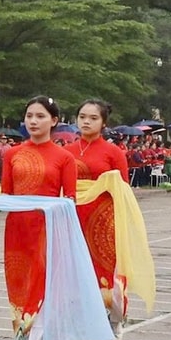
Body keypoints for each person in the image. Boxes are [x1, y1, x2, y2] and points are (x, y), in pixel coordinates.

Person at [0, 96, 80, 340]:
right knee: (19, 291)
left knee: (40, 291)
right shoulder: (12, 155)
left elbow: (69, 200)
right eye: (29, 116)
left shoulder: (64, 158)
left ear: (54, 121)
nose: (33, 121)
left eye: (40, 116)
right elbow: (7, 194)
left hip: (48, 231)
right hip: (17, 230)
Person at [64, 99, 132, 328]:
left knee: (105, 269)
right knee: (74, 271)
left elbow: (123, 190)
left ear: (104, 123)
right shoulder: (66, 152)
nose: (86, 121)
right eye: (82, 116)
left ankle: (115, 319)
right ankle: (77, 324)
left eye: (93, 118)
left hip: (103, 218)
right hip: (73, 216)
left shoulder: (113, 153)